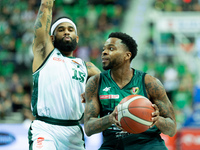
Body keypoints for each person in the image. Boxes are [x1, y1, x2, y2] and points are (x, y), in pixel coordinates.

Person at [84, 32, 177, 150]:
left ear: (127, 55)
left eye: (111, 48)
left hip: (148, 144)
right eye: (104, 49)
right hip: (114, 144)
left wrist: (156, 119)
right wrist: (110, 118)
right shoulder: (95, 82)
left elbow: (172, 129)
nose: (104, 52)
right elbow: (88, 128)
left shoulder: (149, 82)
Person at [28, 0, 101, 149]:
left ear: (77, 38)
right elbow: (45, 10)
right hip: (45, 128)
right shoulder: (44, 55)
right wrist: (47, 3)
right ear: (51, 38)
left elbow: (111, 88)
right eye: (61, 30)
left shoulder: (87, 66)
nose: (66, 31)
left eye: (70, 29)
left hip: (73, 131)